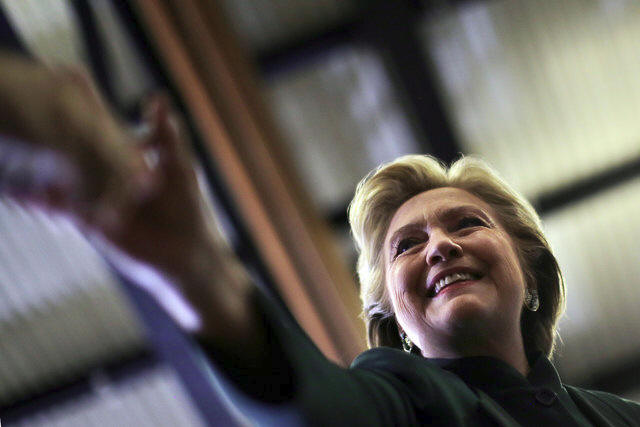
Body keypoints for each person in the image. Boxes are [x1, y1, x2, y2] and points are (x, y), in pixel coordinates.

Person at [1, 52, 640, 426]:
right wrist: (198, 276)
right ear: (393, 317)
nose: (439, 247)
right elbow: (319, 411)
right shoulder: (406, 403)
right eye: (405, 246)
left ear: (531, 274)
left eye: (467, 223)